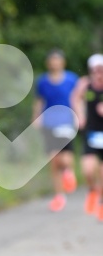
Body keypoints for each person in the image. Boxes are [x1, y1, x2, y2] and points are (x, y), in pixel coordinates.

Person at [32, 49, 78, 212]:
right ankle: (59, 196)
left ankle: (68, 171)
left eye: (57, 60)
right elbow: (39, 101)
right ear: (48, 63)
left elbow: (77, 99)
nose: (54, 63)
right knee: (53, 160)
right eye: (52, 60)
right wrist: (36, 117)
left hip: (67, 122)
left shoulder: (72, 79)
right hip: (49, 124)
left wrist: (80, 116)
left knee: (65, 159)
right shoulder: (43, 82)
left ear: (62, 62)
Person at [71, 53, 103, 221]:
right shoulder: (85, 85)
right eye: (95, 70)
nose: (98, 74)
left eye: (101, 70)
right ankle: (92, 191)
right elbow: (75, 99)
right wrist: (80, 115)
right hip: (91, 133)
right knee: (88, 170)